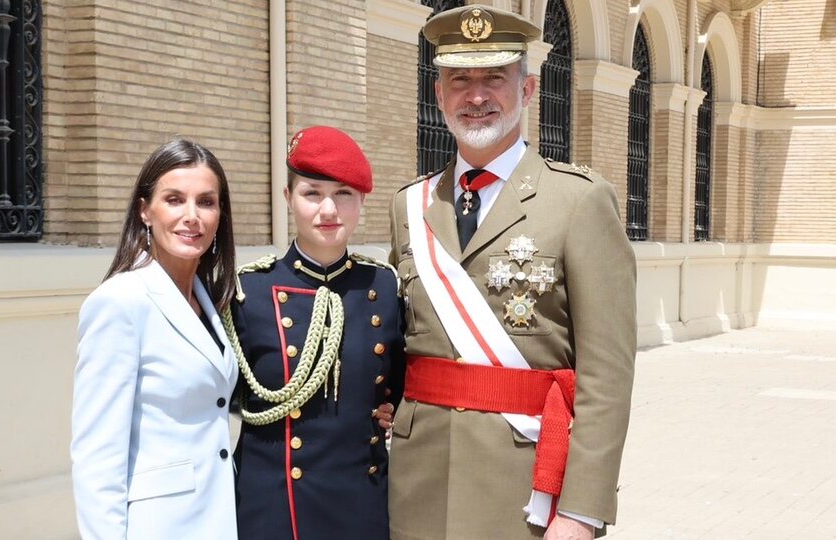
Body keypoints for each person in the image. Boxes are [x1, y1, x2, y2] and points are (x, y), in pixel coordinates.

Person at [388, 6, 637, 540]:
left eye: (495, 78)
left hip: (522, 485)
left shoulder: (579, 201)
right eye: (460, 80)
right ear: (438, 94)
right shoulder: (408, 204)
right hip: (417, 481)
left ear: (526, 91)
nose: (476, 96)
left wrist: (582, 511)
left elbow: (607, 378)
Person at [223, 126, 405, 540]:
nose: (329, 209)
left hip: (363, 502)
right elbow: (224, 398)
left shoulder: (384, 287)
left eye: (343, 193)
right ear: (288, 199)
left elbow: (402, 387)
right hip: (271, 506)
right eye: (312, 193)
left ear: (361, 201)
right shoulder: (247, 292)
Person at [71, 138, 239, 539]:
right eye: (175, 199)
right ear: (145, 210)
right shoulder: (120, 302)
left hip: (220, 515)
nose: (191, 216)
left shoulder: (212, 300)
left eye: (206, 202)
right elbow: (96, 456)